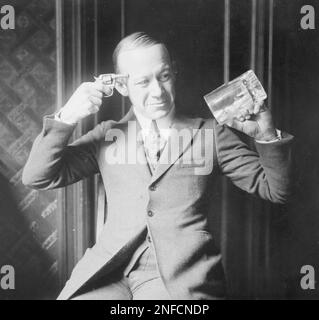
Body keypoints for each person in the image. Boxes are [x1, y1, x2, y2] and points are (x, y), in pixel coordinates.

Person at [22, 32, 293, 300]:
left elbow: (277, 190)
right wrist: (67, 116)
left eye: (164, 76)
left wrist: (266, 134)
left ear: (174, 73)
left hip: (178, 279)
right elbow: (37, 177)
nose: (158, 92)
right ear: (122, 86)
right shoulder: (107, 135)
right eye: (142, 82)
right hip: (109, 274)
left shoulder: (210, 133)